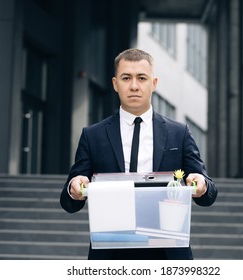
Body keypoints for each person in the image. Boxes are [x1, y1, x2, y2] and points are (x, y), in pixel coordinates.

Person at [60, 48, 218, 260]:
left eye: (141, 78)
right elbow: (69, 202)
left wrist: (201, 183)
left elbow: (209, 195)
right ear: (115, 84)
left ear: (153, 83)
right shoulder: (92, 135)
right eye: (126, 78)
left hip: (168, 251)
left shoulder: (179, 133)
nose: (134, 86)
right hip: (110, 251)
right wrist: (74, 187)